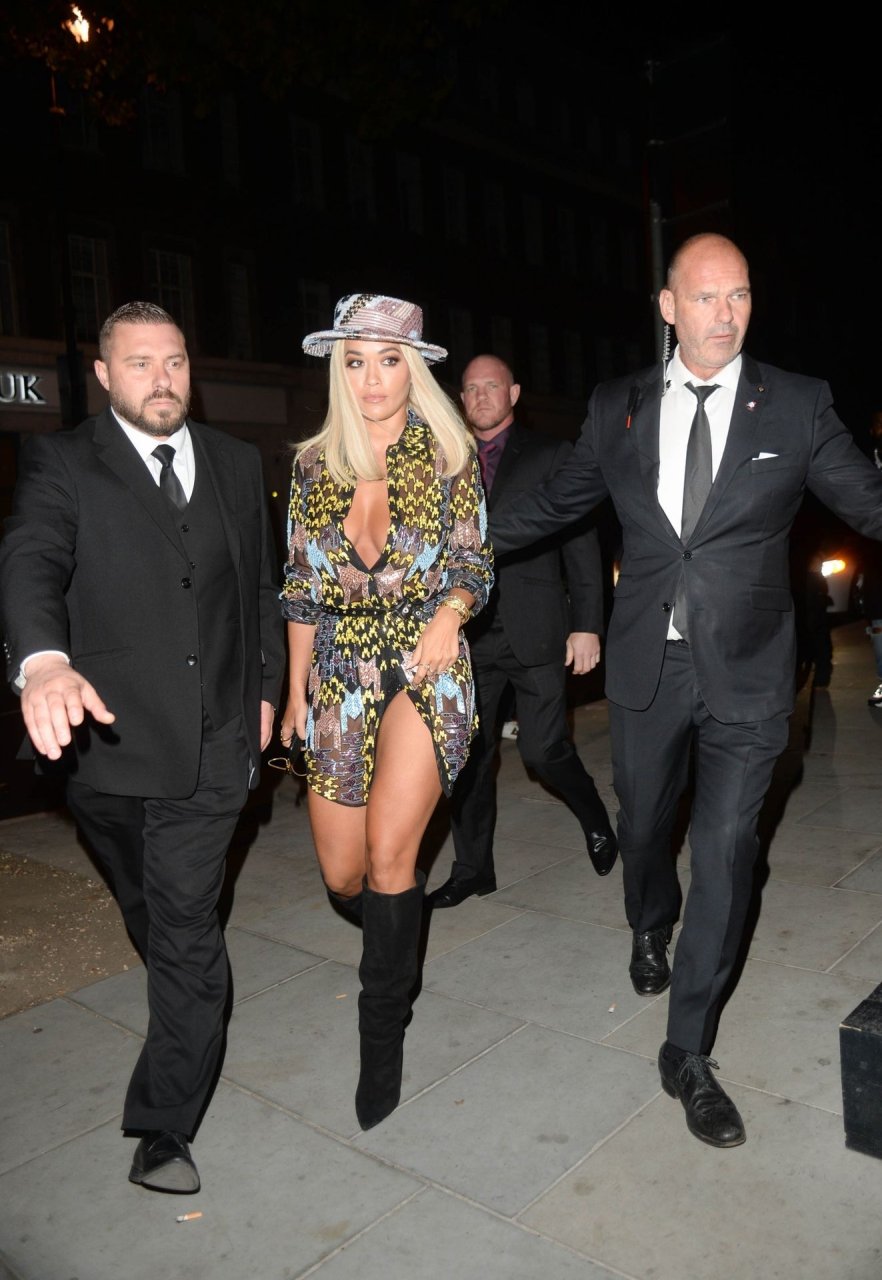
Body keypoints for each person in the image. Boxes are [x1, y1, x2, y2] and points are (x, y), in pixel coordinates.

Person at [488, 233, 882, 1148]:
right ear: (668, 308)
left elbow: (868, 499)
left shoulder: (796, 403)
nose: (726, 314)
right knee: (642, 825)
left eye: (739, 295)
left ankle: (687, 1050)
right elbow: (555, 503)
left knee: (729, 849)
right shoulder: (617, 406)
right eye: (706, 297)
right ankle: (647, 920)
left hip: (748, 670)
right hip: (647, 664)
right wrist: (453, 544)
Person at [0, 301, 285, 1193]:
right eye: (139, 363)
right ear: (103, 374)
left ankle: (163, 1126)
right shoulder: (61, 460)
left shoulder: (236, 461)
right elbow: (30, 557)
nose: (162, 380)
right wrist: (43, 660)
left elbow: (261, 588)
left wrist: (267, 688)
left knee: (188, 928)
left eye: (175, 362)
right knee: (153, 912)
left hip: (216, 743)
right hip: (109, 747)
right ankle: (181, 995)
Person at [278, 293, 493, 1130]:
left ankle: (383, 1032)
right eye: (357, 361)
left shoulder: (448, 454)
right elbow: (301, 588)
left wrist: (450, 615)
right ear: (340, 369)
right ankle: (394, 941)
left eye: (389, 360)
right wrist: (295, 693)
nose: (372, 378)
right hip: (338, 672)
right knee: (345, 875)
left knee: (391, 858)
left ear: (415, 370)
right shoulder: (312, 466)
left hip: (426, 668)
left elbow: (473, 561)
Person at [427, 354, 616, 909]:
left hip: (537, 626)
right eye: (471, 388)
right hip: (467, 633)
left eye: (492, 386)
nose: (481, 396)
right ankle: (472, 870)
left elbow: (580, 539)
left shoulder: (552, 454)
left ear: (513, 393)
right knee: (467, 757)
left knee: (542, 749)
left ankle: (594, 815)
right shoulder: (444, 458)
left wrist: (586, 624)